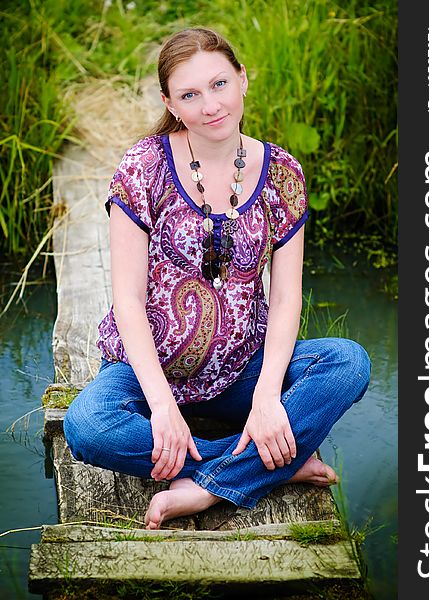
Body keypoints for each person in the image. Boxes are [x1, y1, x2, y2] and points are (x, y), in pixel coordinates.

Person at [63, 27, 371, 530]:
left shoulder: (282, 175)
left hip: (241, 371)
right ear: (170, 103)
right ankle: (272, 465)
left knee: (348, 363)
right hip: (146, 372)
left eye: (219, 84)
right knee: (87, 427)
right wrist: (161, 405)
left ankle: (210, 483)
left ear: (243, 79)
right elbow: (127, 299)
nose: (210, 105)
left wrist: (268, 397)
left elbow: (287, 297)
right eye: (190, 94)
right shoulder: (144, 166)